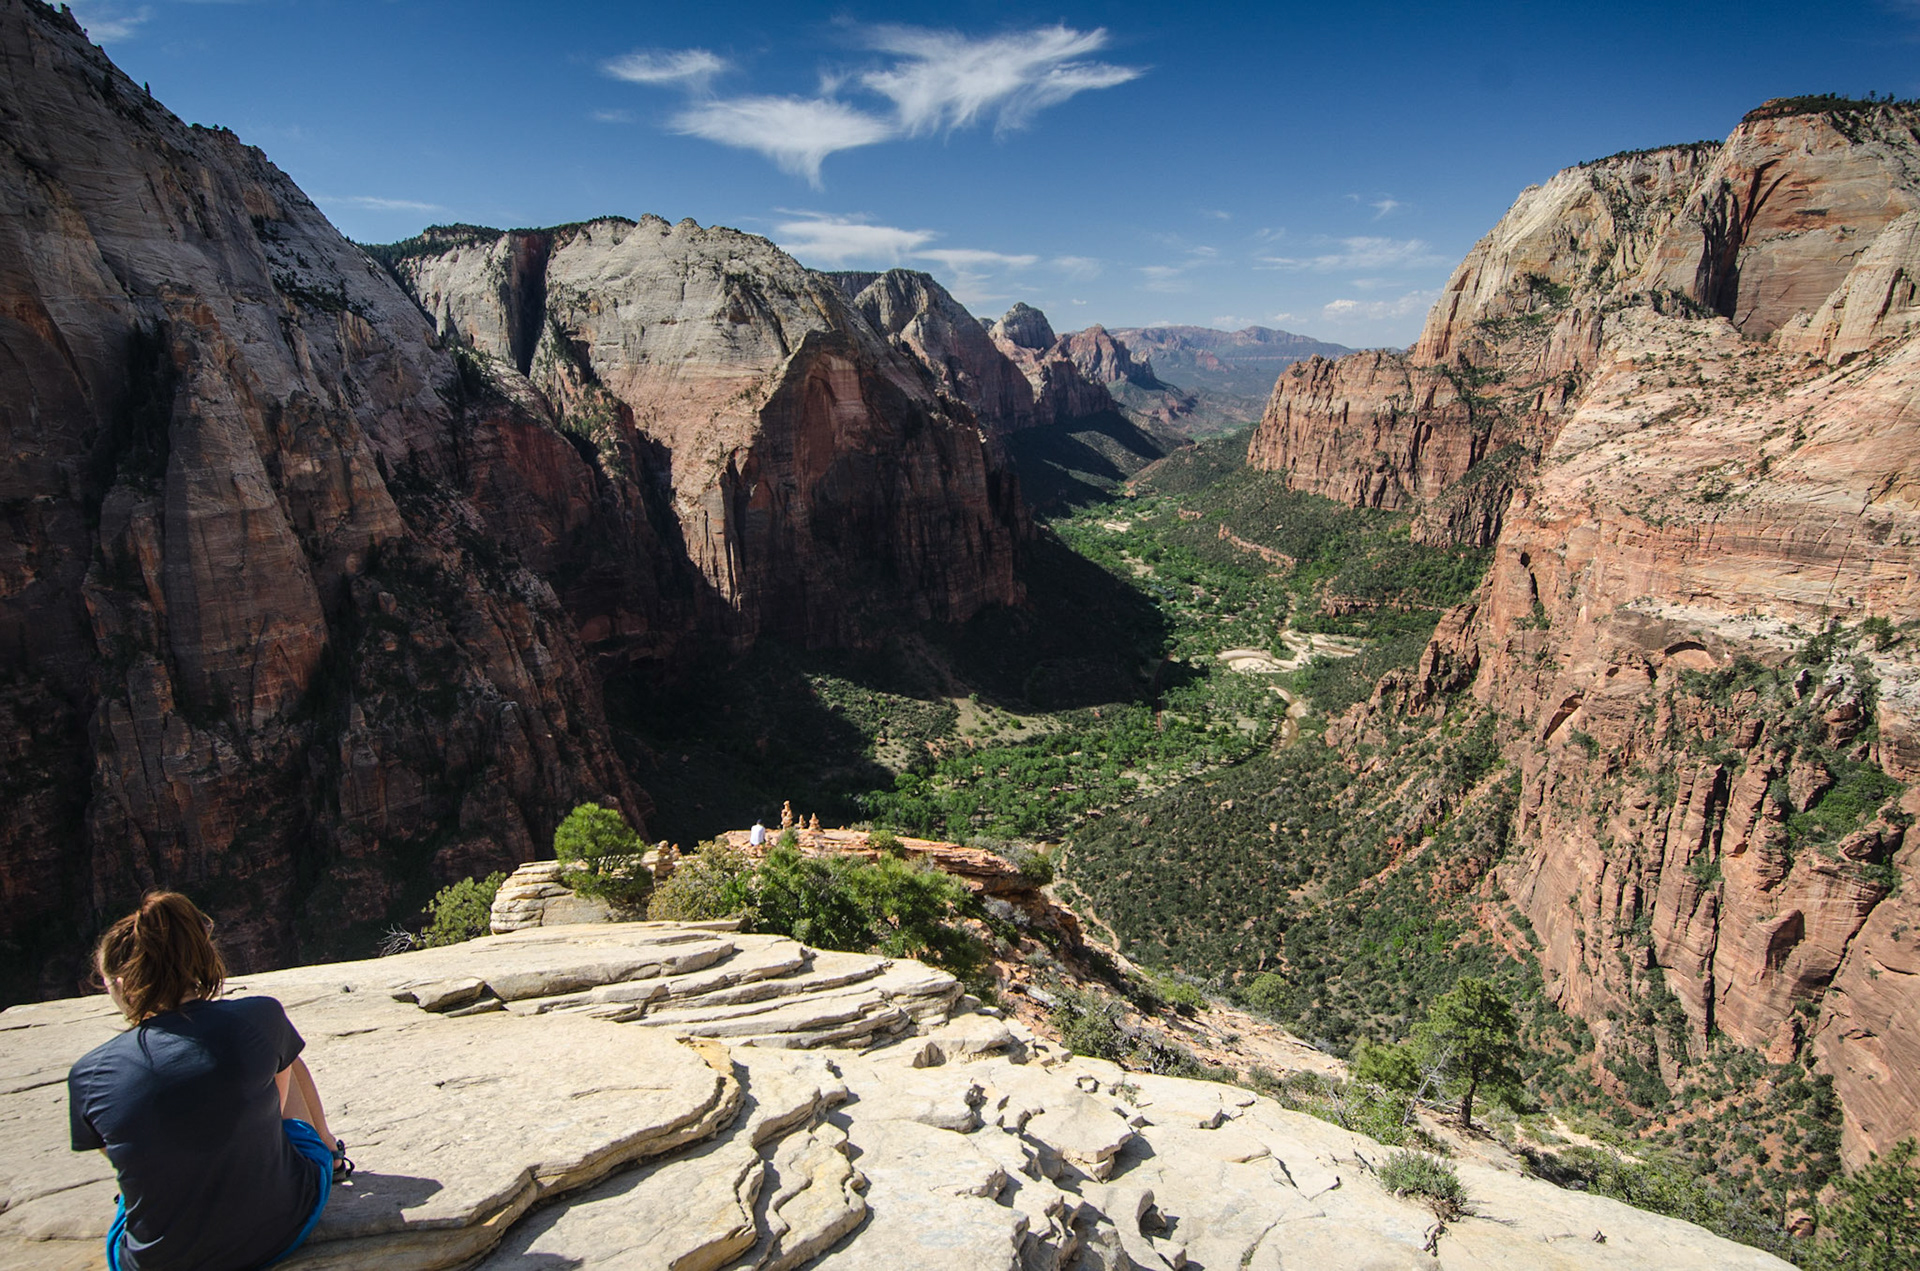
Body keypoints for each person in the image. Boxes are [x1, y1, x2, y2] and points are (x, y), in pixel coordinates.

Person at [67, 892, 350, 1271]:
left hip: (158, 1262)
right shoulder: (261, 1016)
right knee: (283, 1054)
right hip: (278, 1229)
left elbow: (125, 1159)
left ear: (123, 985)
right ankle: (330, 1152)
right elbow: (277, 1110)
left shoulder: (88, 1073)